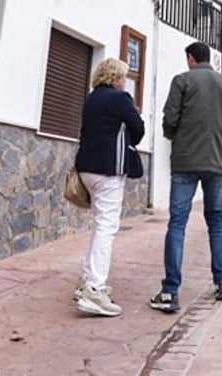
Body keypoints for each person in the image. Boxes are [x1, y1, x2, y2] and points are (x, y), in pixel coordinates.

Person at [150, 41, 222, 314]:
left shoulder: (182, 80)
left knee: (177, 223)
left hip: (185, 161)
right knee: (216, 221)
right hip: (216, 163)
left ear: (190, 58)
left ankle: (170, 291)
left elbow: (170, 118)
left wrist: (172, 135)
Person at [73, 57, 144, 317]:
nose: (124, 81)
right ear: (115, 77)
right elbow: (138, 132)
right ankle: (94, 288)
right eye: (123, 76)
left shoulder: (91, 98)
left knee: (100, 224)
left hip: (87, 168)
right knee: (107, 226)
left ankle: (87, 280)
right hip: (109, 169)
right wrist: (132, 115)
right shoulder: (120, 99)